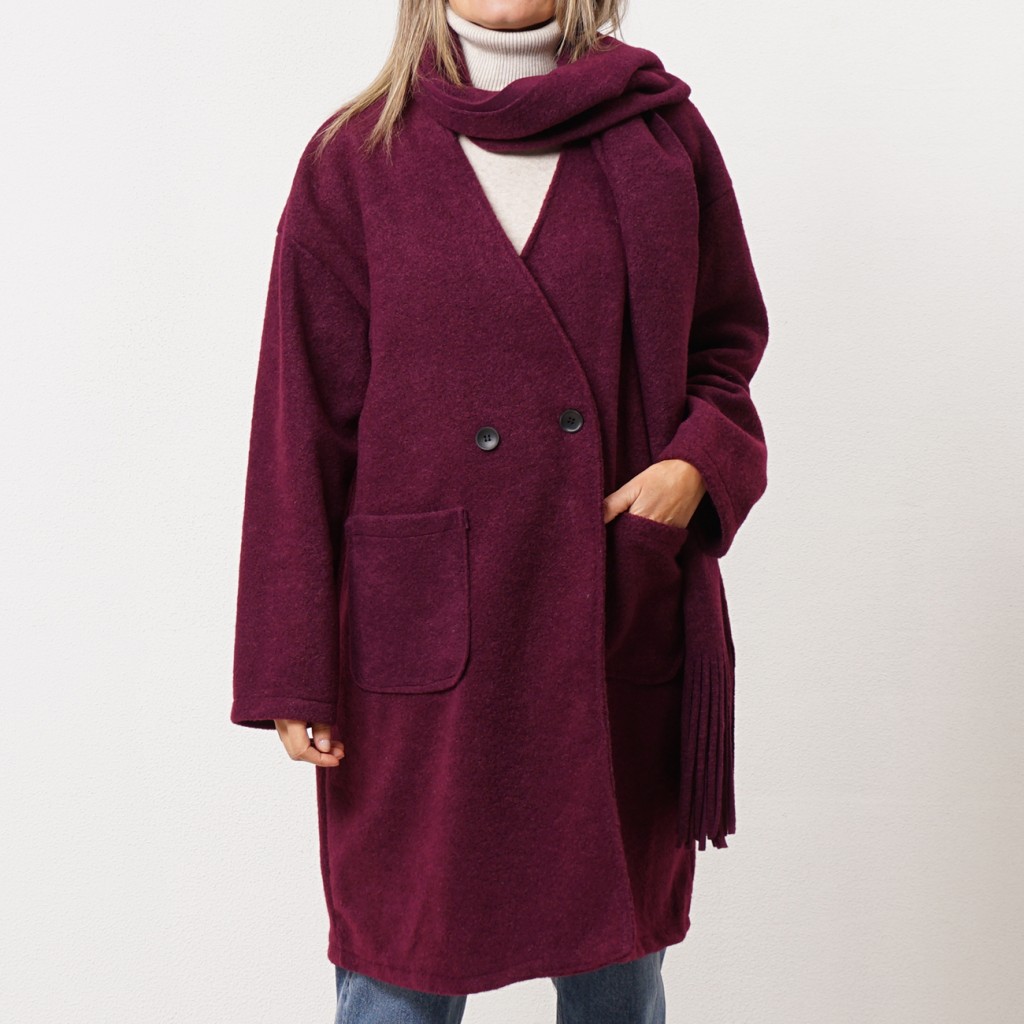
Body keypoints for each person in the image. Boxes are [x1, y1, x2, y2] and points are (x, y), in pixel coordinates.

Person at [230, 1, 770, 1020]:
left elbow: (725, 340)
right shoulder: (355, 158)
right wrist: (289, 662)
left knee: (616, 976)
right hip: (420, 641)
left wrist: (692, 468)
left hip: (610, 607)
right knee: (399, 971)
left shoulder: (661, 135)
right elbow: (300, 423)